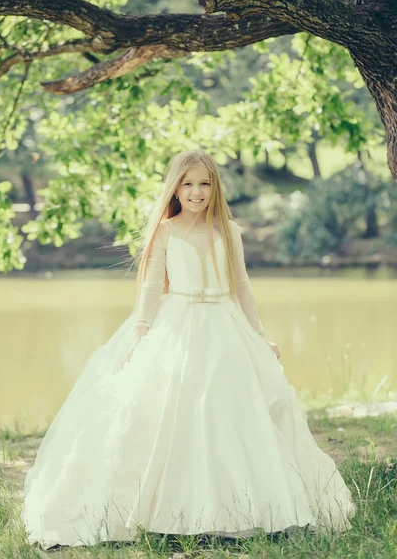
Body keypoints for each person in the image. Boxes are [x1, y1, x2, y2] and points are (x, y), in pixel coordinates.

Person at [21, 149, 356, 550]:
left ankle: (244, 506)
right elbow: (150, 286)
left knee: (231, 406)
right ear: (175, 188)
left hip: (224, 322)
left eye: (205, 183)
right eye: (188, 184)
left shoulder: (228, 230)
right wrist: (141, 330)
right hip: (178, 321)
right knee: (171, 406)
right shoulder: (165, 231)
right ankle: (166, 506)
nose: (197, 192)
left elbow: (242, 285)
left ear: (215, 187)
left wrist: (260, 333)